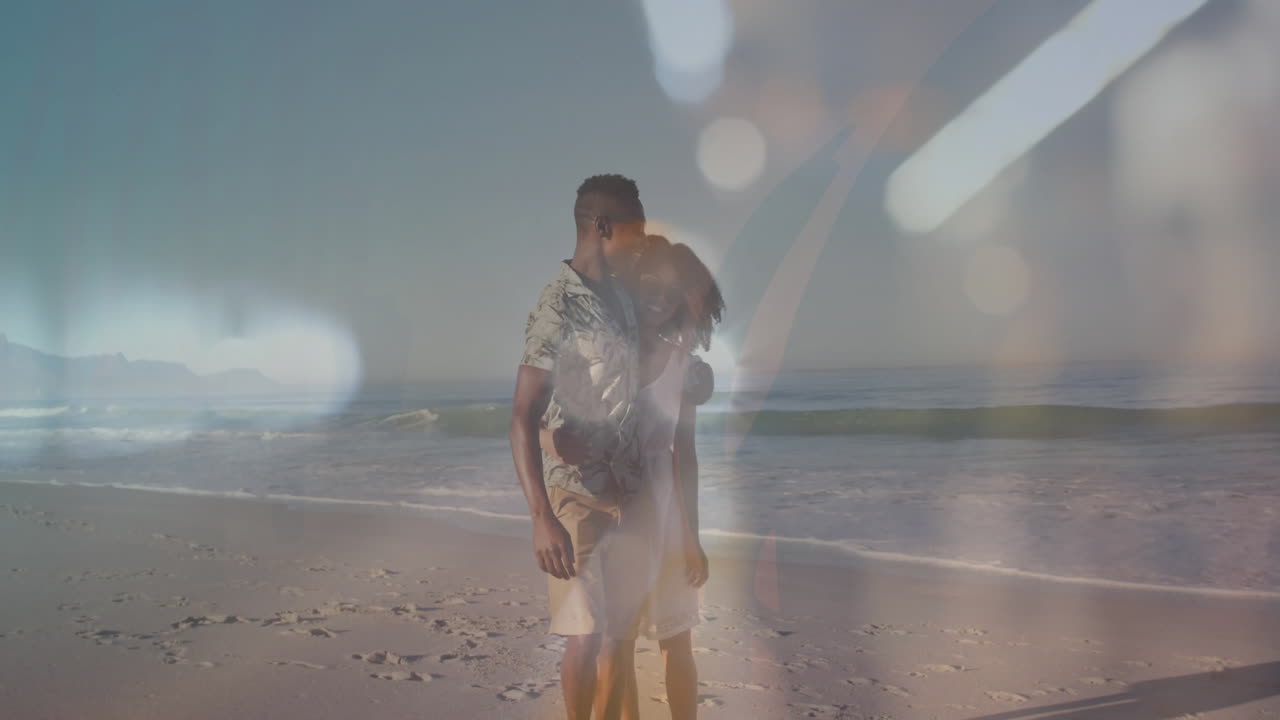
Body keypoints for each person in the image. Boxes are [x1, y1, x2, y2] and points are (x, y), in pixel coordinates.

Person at [542, 235, 725, 720]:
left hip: (665, 510)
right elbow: (549, 416)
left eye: (672, 291)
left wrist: (693, 538)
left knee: (676, 637)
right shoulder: (602, 351)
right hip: (611, 503)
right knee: (615, 642)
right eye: (651, 286)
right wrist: (550, 442)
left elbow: (685, 455)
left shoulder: (683, 364)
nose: (660, 298)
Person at [509, 173, 648, 720]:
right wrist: (540, 517)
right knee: (584, 635)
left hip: (629, 494)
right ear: (603, 227)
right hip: (575, 497)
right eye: (636, 231)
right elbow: (522, 415)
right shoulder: (557, 307)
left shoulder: (626, 300)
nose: (641, 242)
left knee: (618, 638)